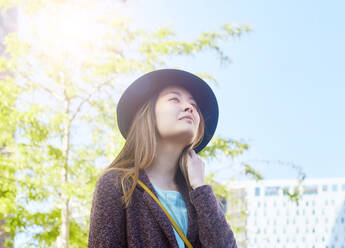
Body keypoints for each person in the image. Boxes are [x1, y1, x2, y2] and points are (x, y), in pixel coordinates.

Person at [88, 69, 237, 248]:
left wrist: (200, 188)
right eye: (174, 99)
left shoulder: (200, 197)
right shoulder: (117, 183)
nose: (190, 108)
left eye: (194, 106)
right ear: (148, 113)